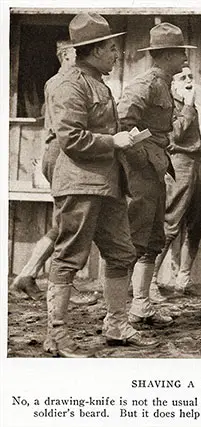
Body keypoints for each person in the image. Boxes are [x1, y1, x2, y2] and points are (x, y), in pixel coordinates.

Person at [45, 12, 158, 357]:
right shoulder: (70, 84)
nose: (116, 53)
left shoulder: (96, 81)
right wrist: (116, 142)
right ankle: (56, 334)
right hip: (79, 184)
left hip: (107, 184)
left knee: (122, 253)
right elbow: (71, 139)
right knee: (69, 257)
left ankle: (116, 324)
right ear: (94, 51)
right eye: (111, 48)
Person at [117, 23, 196, 326]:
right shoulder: (146, 84)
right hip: (141, 173)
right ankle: (118, 311)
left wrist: (153, 157)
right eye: (180, 54)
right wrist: (142, 157)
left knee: (152, 239)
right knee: (135, 240)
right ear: (165, 55)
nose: (184, 61)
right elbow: (123, 124)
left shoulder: (164, 84)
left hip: (156, 169)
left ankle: (141, 306)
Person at [9, 41, 98, 306]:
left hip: (58, 151)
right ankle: (58, 290)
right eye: (77, 53)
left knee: (62, 225)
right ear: (66, 55)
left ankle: (26, 275)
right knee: (69, 224)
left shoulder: (67, 81)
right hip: (61, 152)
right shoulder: (64, 83)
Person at [152, 66, 201, 294]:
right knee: (170, 224)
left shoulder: (195, 107)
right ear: (173, 84)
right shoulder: (169, 107)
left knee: (197, 224)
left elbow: (193, 136)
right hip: (179, 166)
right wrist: (188, 107)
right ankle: (149, 282)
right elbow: (173, 136)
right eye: (183, 77)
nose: (190, 80)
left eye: (191, 76)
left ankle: (183, 280)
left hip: (199, 165)